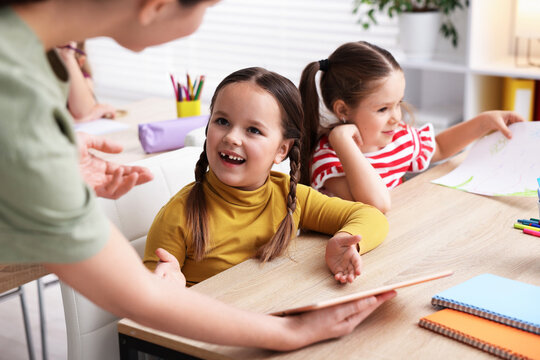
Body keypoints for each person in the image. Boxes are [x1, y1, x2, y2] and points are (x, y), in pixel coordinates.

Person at [0, 0, 395, 351]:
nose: (233, 137)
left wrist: (50, 155)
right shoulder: (15, 84)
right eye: (208, 6)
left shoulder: (30, 63)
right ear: (157, 5)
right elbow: (137, 295)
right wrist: (292, 333)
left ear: (283, 148)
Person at [143, 67, 389, 286]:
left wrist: (347, 241)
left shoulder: (289, 197)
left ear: (282, 150)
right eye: (222, 121)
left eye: (253, 130)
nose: (232, 137)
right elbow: (141, 307)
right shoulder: (178, 214)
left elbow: (370, 216)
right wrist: (165, 284)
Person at [299, 41, 524, 214]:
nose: (396, 117)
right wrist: (343, 141)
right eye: (383, 109)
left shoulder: (397, 138)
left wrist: (483, 122)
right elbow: (375, 204)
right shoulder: (330, 159)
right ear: (343, 110)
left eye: (398, 103)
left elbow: (438, 146)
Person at [57, 41, 117, 122]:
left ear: (80, 62)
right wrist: (90, 116)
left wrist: (68, 57)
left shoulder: (85, 78)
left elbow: (82, 112)